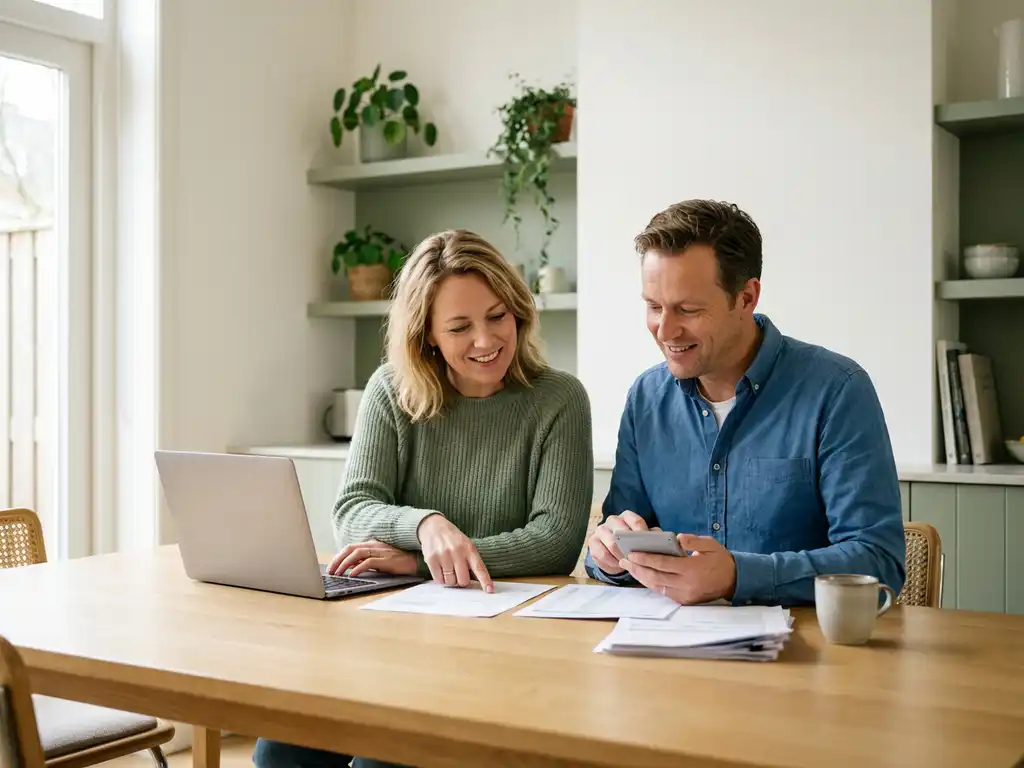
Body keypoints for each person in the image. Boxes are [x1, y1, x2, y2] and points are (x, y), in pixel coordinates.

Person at [253, 229, 593, 768]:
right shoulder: (392, 389)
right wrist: (426, 525)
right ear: (428, 335)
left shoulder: (559, 399)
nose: (485, 340)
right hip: (394, 643)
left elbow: (553, 542)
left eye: (498, 316)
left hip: (505, 650)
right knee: (279, 750)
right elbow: (353, 509)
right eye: (460, 327)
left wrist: (417, 562)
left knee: (379, 763)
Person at [584, 199, 906, 607]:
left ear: (746, 297)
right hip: (667, 651)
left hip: (804, 655)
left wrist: (737, 575)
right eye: (653, 307)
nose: (665, 330)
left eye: (688, 309)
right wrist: (608, 556)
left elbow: (879, 561)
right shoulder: (646, 398)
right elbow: (620, 538)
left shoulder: (837, 390)